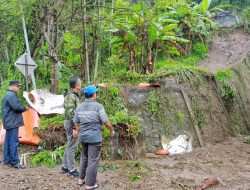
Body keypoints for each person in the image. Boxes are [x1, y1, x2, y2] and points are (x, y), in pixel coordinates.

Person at [74, 85, 115, 190]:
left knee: (84, 157)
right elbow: (105, 121)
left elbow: (76, 123)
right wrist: (112, 130)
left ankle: (81, 179)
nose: (96, 94)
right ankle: (90, 184)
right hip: (94, 138)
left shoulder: (79, 107)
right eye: (95, 92)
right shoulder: (98, 107)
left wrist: (78, 132)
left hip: (83, 137)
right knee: (93, 160)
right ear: (93, 95)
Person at [2, 80, 28, 169]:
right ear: (13, 86)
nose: (18, 88)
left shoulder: (7, 95)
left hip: (8, 122)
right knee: (14, 142)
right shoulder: (11, 95)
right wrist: (25, 108)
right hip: (12, 122)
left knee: (8, 141)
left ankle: (7, 160)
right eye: (17, 86)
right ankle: (15, 162)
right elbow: (17, 107)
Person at [61, 77, 82, 177]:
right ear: (76, 85)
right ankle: (72, 169)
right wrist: (75, 128)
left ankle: (65, 167)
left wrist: (97, 86)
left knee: (70, 144)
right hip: (71, 123)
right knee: (72, 146)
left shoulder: (74, 94)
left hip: (70, 122)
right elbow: (70, 113)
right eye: (80, 83)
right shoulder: (71, 96)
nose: (81, 85)